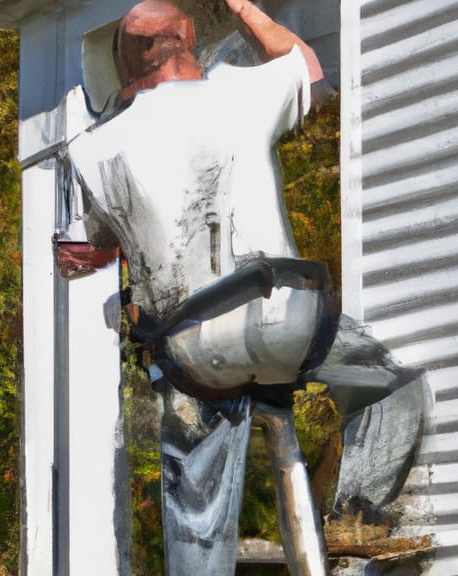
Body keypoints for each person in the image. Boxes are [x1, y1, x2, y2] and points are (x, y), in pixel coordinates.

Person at [66, 2, 425, 574]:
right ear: (189, 41)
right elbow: (304, 64)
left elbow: (95, 249)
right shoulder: (240, 92)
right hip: (292, 327)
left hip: (195, 353)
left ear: (123, 61)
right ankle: (357, 520)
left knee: (197, 505)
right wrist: (239, 5)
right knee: (390, 383)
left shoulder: (94, 150)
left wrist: (94, 257)